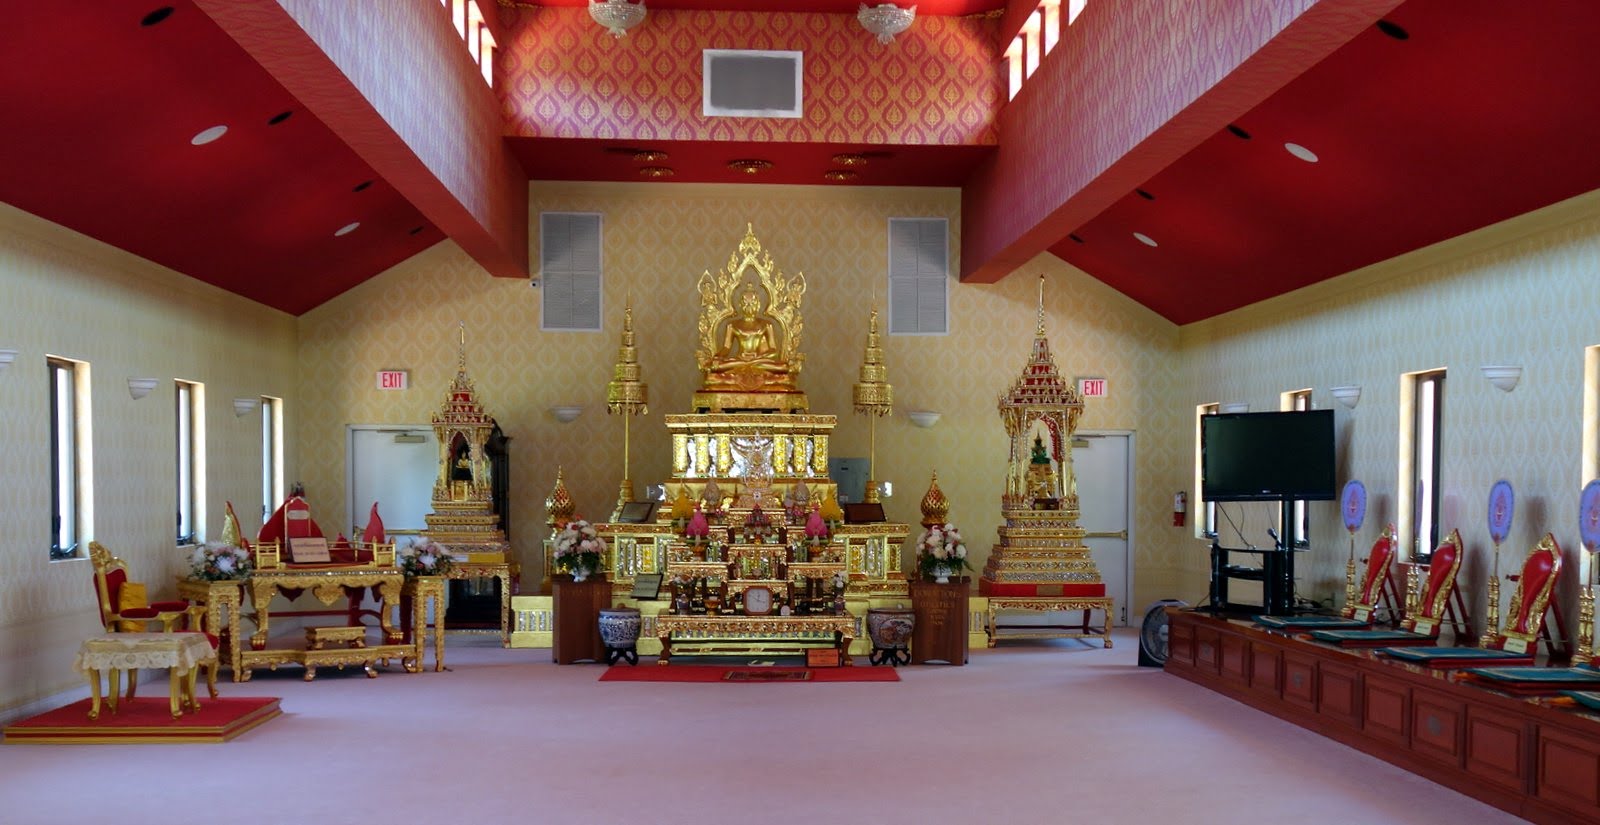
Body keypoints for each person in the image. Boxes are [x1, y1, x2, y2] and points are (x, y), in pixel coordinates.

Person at [705, 284, 793, 388]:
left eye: (752, 302)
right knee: (716, 367)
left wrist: (757, 357)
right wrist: (718, 356)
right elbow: (726, 348)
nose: (749, 305)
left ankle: (733, 378)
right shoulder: (732, 325)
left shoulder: (766, 324)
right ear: (740, 304)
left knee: (783, 367)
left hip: (759, 361)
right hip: (740, 360)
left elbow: (773, 350)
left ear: (758, 304)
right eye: (745, 302)